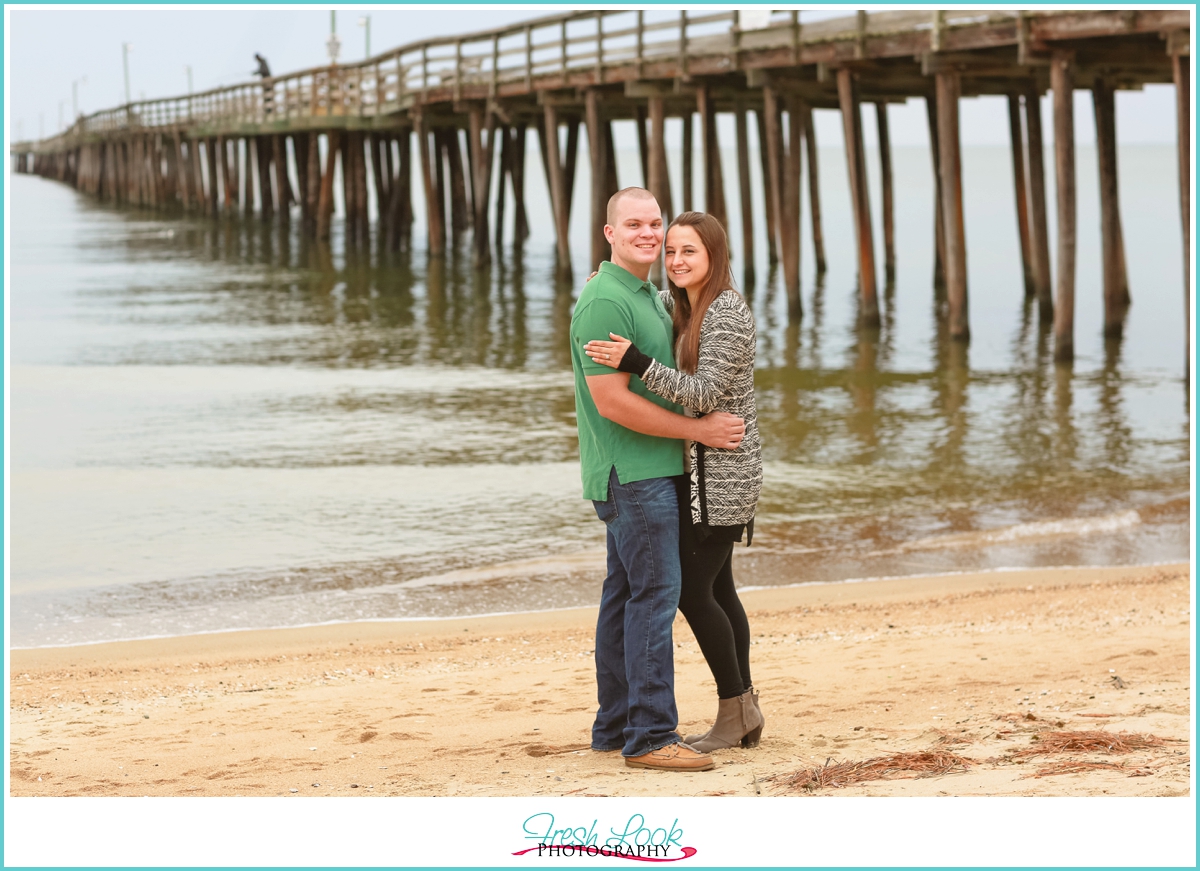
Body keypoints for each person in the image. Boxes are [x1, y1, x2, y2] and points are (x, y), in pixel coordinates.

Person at [570, 189, 746, 772]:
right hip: (635, 476)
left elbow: (683, 376)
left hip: (659, 472)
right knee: (655, 599)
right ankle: (649, 737)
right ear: (609, 233)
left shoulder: (649, 294)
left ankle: (616, 725)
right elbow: (613, 403)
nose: (649, 235)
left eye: (656, 224)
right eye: (635, 225)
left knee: (626, 598)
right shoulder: (604, 300)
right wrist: (696, 433)